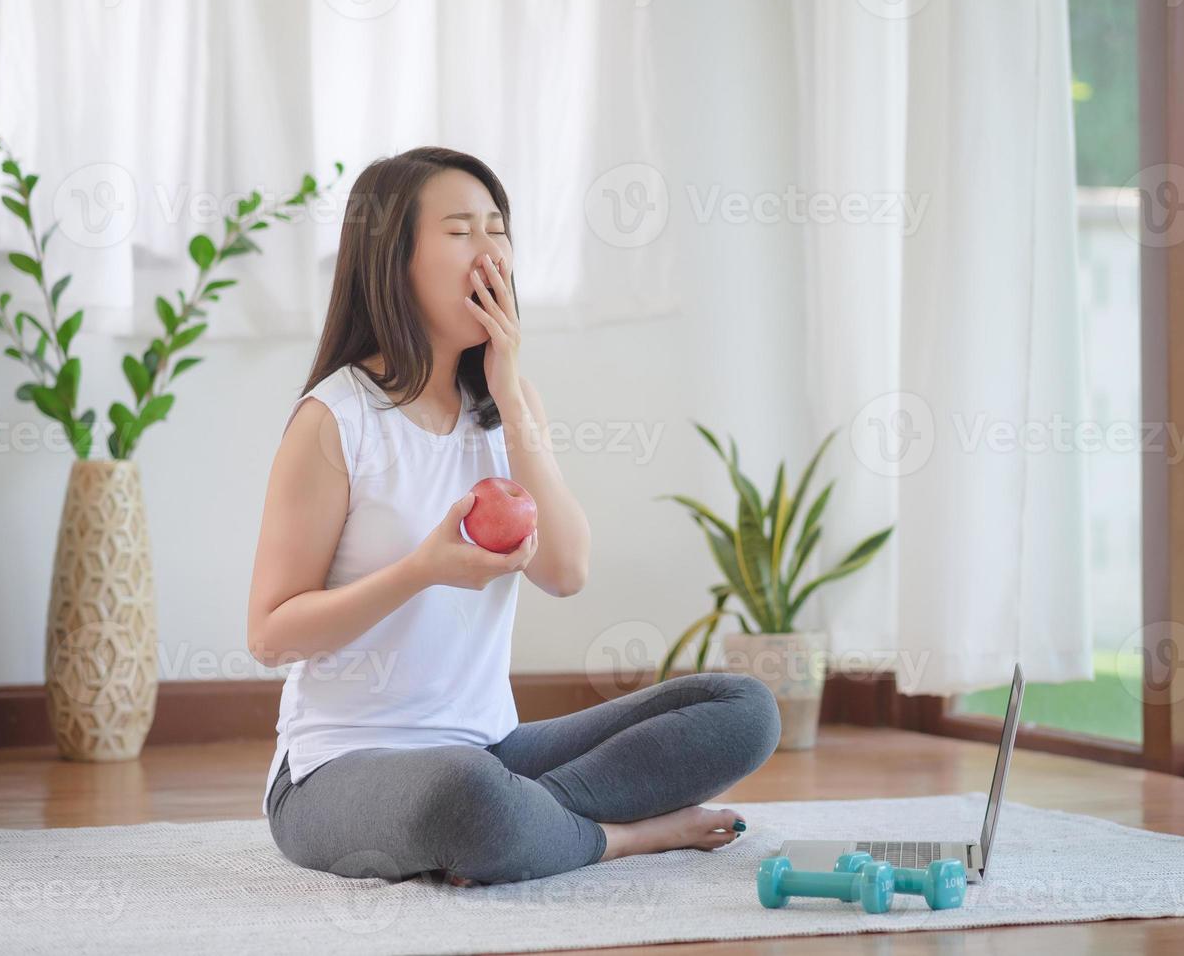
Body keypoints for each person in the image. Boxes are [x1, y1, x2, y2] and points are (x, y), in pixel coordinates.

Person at [246, 147, 782, 886]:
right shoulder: (335, 420)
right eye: (461, 230)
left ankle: (524, 826)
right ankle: (620, 837)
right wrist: (421, 572)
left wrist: (508, 383)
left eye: (499, 229)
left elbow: (565, 571)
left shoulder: (509, 407)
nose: (491, 250)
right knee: (463, 796)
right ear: (393, 260)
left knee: (744, 707)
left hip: (491, 751)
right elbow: (270, 635)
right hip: (338, 771)